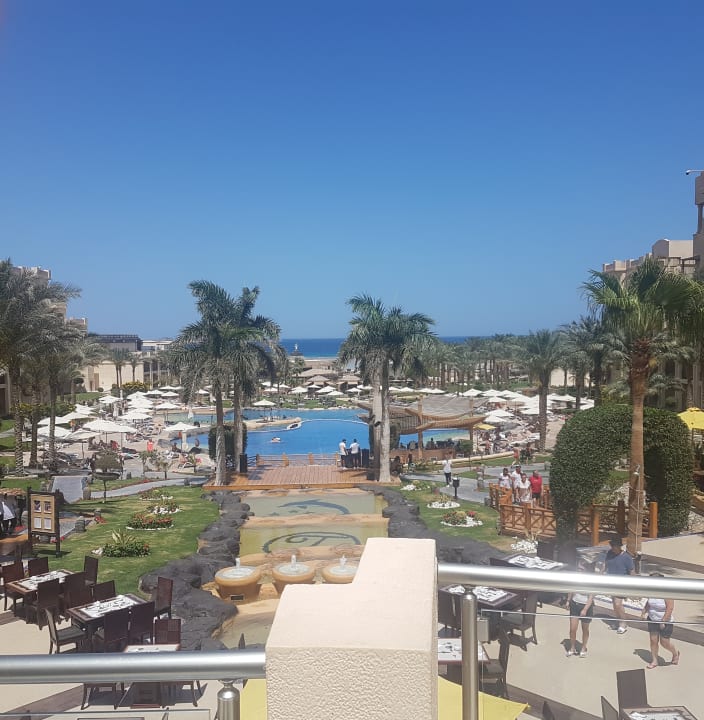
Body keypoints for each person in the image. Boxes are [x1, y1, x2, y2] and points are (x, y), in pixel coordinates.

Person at [641, 573, 679, 668]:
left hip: (665, 621)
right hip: (652, 619)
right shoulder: (651, 591)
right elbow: (649, 603)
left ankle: (675, 653)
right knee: (653, 641)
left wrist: (663, 621)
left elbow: (670, 608)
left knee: (664, 642)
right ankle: (654, 660)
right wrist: (643, 612)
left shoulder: (667, 593)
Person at [605, 536, 635, 633]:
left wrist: (632, 586)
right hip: (611, 583)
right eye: (612, 546)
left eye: (614, 546)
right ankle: (618, 621)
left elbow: (632, 572)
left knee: (618, 604)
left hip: (622, 584)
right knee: (614, 604)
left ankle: (623, 623)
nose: (613, 548)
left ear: (619, 546)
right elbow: (605, 565)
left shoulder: (626, 557)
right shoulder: (610, 553)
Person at [566, 562, 595, 658]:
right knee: (572, 629)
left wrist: (585, 609)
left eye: (581, 569)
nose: (579, 570)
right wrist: (568, 600)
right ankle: (572, 647)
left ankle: (583, 647)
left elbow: (591, 597)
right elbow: (571, 590)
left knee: (585, 629)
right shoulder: (575, 578)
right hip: (575, 604)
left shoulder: (591, 581)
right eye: (578, 568)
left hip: (586, 606)